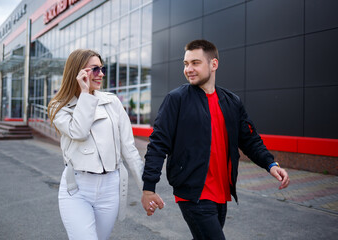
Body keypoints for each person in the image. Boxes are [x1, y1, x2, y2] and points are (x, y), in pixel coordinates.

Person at [141, 40, 290, 239]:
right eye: (186, 64)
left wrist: (270, 164)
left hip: (221, 194)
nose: (188, 69)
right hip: (193, 193)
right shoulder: (176, 99)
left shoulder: (231, 102)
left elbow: (250, 140)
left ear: (214, 64)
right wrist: (149, 188)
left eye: (195, 63)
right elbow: (158, 144)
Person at [48, 49, 143, 240]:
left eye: (102, 68)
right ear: (78, 72)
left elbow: (129, 148)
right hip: (77, 188)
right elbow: (79, 132)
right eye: (95, 69)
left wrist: (146, 189)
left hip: (110, 187)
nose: (101, 74)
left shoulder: (112, 102)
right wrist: (85, 93)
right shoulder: (58, 106)